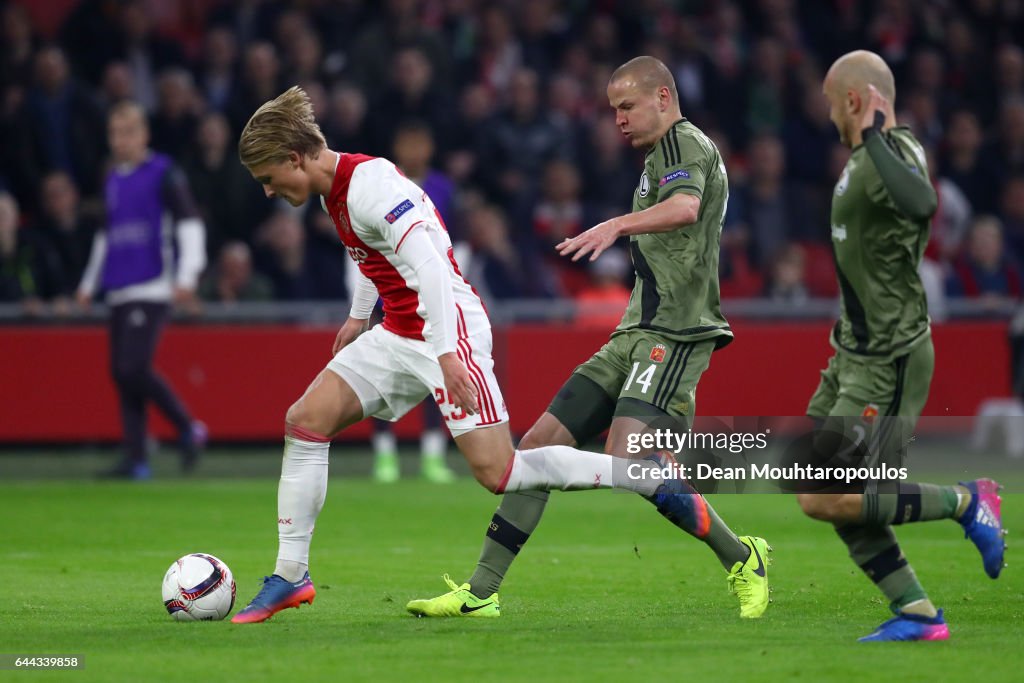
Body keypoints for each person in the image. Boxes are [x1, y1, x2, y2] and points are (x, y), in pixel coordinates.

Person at [229, 86, 711, 624]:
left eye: (270, 179)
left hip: (448, 330)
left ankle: (636, 475)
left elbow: (432, 267)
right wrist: (359, 315)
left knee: (500, 472)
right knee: (305, 420)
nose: (270, 192)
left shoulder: (370, 187)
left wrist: (447, 355)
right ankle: (291, 575)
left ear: (295, 158)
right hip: (401, 331)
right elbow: (375, 255)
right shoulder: (335, 192)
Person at [406, 57, 771, 621]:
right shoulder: (657, 157)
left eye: (627, 107)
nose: (618, 120)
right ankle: (481, 590)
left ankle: (742, 554)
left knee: (626, 461)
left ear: (665, 97)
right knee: (533, 449)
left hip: (673, 333)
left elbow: (686, 207)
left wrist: (614, 225)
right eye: (613, 111)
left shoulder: (683, 145)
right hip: (634, 330)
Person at [794, 50, 1006, 642]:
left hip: (887, 359)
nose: (831, 116)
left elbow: (923, 203)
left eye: (836, 104)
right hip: (851, 353)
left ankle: (967, 501)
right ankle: (915, 612)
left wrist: (876, 136)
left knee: (827, 494)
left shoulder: (898, 150)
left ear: (857, 101)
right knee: (826, 491)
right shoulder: (866, 159)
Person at [76, 101, 208, 480]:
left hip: (152, 285)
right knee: (122, 373)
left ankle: (187, 427)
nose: (122, 140)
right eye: (116, 133)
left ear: (144, 135)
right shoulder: (112, 178)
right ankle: (136, 458)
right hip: (119, 285)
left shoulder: (163, 173)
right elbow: (105, 236)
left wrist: (187, 276)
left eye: (129, 132)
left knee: (131, 367)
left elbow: (189, 224)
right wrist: (89, 284)